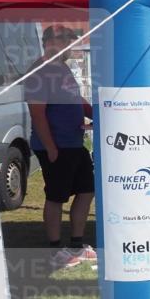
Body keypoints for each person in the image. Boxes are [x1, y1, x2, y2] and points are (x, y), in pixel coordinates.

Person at [25, 26, 97, 268]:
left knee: (87, 189)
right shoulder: (40, 71)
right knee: (56, 197)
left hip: (74, 143)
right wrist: (51, 147)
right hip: (56, 146)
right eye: (67, 39)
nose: (71, 44)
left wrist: (95, 112)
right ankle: (55, 251)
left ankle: (77, 245)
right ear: (51, 41)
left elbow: (76, 99)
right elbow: (37, 113)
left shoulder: (63, 68)